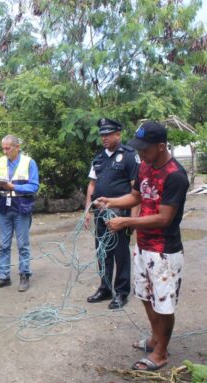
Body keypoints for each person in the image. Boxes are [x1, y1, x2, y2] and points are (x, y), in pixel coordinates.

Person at [96, 121, 189, 371]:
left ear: (161, 146)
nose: (140, 154)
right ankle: (155, 338)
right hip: (143, 246)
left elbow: (164, 217)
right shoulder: (145, 166)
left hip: (164, 251)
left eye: (145, 149)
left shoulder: (175, 176)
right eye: (138, 149)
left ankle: (160, 353)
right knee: (146, 296)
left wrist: (127, 221)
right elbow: (137, 196)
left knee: (163, 303)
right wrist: (111, 201)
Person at [84, 118, 140, 309]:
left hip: (120, 213)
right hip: (100, 213)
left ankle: (122, 292)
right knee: (102, 252)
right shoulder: (98, 158)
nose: (104, 138)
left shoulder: (129, 156)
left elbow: (136, 190)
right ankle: (105, 288)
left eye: (108, 134)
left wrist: (132, 219)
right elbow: (92, 185)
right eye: (102, 135)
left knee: (120, 253)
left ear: (118, 134)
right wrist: (87, 211)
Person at [0, 135, 39, 292]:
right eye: (3, 148)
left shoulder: (29, 163)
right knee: (4, 244)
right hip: (4, 206)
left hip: (21, 206)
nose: (5, 151)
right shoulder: (0, 162)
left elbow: (34, 186)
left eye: (7, 148)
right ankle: (3, 276)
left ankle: (24, 275)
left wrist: (14, 187)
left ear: (17, 147)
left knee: (23, 244)